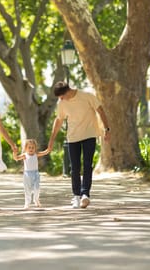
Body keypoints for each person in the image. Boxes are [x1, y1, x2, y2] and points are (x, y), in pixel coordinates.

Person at [42, 81, 110, 209]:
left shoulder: (87, 96)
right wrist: (51, 140)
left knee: (87, 165)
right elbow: (58, 121)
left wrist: (107, 129)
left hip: (89, 135)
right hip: (73, 138)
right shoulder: (62, 104)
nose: (61, 99)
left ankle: (85, 194)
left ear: (67, 92)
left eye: (61, 96)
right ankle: (76, 196)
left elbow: (100, 110)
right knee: (74, 168)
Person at [14, 139, 50, 209]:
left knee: (37, 188)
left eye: (33, 147)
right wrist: (14, 153)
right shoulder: (25, 155)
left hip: (35, 173)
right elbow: (16, 158)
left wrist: (49, 148)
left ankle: (36, 199)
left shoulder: (36, 154)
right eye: (29, 147)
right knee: (27, 189)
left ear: (35, 148)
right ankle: (27, 203)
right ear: (26, 148)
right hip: (27, 175)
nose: (31, 149)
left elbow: (45, 152)